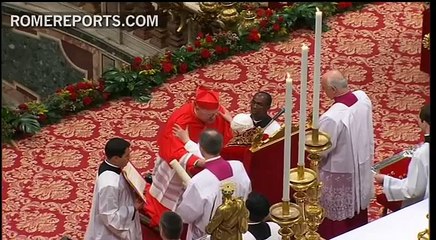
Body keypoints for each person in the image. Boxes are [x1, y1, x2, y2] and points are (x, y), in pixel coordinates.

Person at [145, 86, 234, 227]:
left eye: (215, 114)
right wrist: (198, 162)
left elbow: (227, 134)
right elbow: (173, 149)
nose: (214, 118)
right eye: (210, 115)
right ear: (197, 108)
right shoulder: (180, 120)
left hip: (208, 161)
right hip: (181, 167)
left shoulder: (216, 113)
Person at [316, 70, 375, 239]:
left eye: (324, 87)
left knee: (337, 217)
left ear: (333, 90)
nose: (323, 91)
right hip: (361, 162)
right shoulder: (363, 98)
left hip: (339, 170)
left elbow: (322, 148)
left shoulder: (331, 117)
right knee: (356, 207)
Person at [175, 129, 252, 240]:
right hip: (237, 230)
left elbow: (186, 215)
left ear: (201, 148)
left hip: (208, 235)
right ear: (221, 145)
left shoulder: (198, 181)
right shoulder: (238, 166)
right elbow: (248, 191)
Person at [84, 138, 142, 240]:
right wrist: (133, 208)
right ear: (115, 158)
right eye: (126, 156)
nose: (129, 158)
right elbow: (109, 216)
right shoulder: (109, 184)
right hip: (110, 234)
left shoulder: (112, 165)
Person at [374, 103, 430, 207]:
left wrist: (386, 181)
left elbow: (413, 190)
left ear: (424, 122)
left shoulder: (422, 153)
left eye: (418, 118)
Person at [174, 113, 255, 158]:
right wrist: (232, 121)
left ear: (236, 132)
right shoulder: (262, 137)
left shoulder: (232, 150)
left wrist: (187, 141)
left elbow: (210, 159)